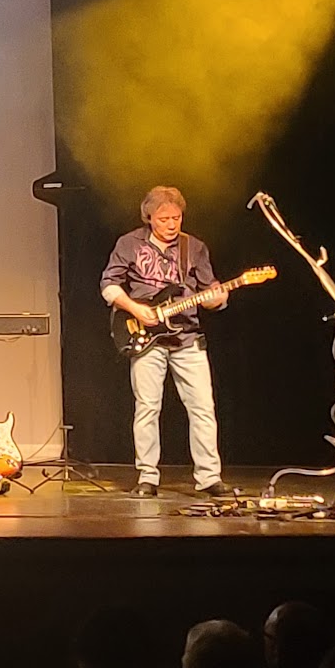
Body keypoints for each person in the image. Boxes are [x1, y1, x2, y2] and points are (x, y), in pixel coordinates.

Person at [100, 185, 230, 498]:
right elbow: (108, 286)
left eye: (176, 218)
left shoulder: (194, 247)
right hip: (147, 337)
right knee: (147, 408)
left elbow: (210, 291)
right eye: (164, 219)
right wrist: (135, 309)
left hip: (188, 338)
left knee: (203, 409)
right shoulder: (129, 243)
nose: (172, 224)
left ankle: (209, 477)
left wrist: (217, 297)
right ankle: (147, 476)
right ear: (149, 218)